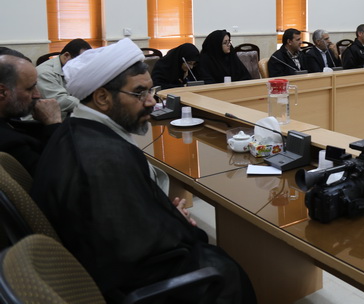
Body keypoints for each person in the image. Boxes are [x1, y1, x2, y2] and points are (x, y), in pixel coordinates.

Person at [31, 38, 256, 304]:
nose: (151, 102)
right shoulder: (103, 162)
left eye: (151, 91)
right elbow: (139, 257)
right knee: (228, 271)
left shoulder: (76, 130)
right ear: (102, 97)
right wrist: (177, 222)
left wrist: (164, 212)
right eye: (140, 94)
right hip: (129, 288)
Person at [0, 51, 62, 174]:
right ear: (2, 92)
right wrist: (53, 123)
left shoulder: (7, 119)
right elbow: (58, 175)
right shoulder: (10, 143)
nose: (37, 94)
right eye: (30, 89)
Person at [36, 38, 92, 118]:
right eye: (81, 61)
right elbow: (61, 101)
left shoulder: (73, 69)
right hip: (42, 121)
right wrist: (92, 106)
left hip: (67, 117)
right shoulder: (44, 73)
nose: (83, 66)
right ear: (66, 56)